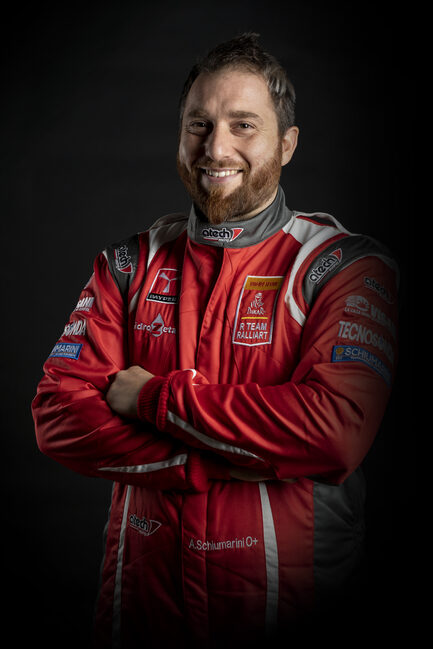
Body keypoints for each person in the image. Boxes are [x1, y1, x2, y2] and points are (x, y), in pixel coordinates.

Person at [32, 33, 399, 648]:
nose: (216, 148)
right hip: (141, 613)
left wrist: (153, 400)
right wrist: (209, 460)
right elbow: (56, 417)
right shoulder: (127, 265)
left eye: (243, 125)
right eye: (198, 125)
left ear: (287, 143)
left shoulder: (344, 267)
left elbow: (335, 432)